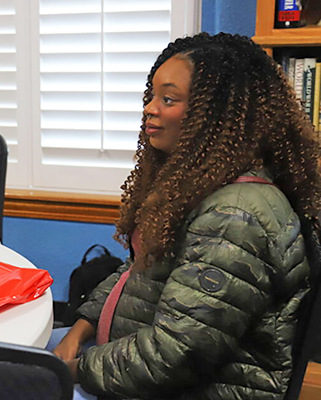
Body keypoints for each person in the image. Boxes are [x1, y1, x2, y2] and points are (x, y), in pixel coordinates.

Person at [48, 32, 321, 399]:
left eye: (169, 99)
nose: (150, 108)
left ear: (216, 115)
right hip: (126, 358)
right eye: (152, 96)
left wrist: (79, 368)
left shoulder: (236, 215)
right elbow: (136, 272)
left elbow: (176, 354)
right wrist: (80, 327)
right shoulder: (198, 186)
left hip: (187, 388)